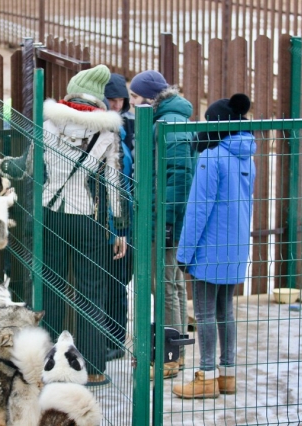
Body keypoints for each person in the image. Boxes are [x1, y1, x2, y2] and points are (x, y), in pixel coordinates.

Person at [2, 64, 126, 389]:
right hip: (88, 220)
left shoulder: (48, 123)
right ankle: (95, 368)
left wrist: (0, 164)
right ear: (98, 99)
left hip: (50, 215)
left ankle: (48, 365)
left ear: (71, 91)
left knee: (49, 288)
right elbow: (114, 184)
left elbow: (26, 167)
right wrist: (121, 229)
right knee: (91, 293)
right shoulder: (107, 133)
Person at [172, 93, 255, 399]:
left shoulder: (211, 157)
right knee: (226, 311)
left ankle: (206, 377)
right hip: (234, 248)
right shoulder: (246, 156)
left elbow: (198, 211)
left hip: (209, 250)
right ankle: (227, 375)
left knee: (205, 313)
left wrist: (184, 254)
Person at [129, 70, 195, 379]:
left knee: (165, 286)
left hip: (164, 219)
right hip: (159, 215)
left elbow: (180, 176)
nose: (131, 103)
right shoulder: (161, 121)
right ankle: (175, 349)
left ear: (150, 98)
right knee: (172, 284)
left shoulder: (171, 124)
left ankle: (169, 356)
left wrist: (168, 222)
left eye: (134, 96)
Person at [103, 73, 134, 361]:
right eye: (110, 100)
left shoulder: (120, 142)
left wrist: (119, 230)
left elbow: (120, 190)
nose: (115, 106)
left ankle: (115, 339)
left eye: (119, 100)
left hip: (119, 222)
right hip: (115, 221)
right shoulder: (117, 136)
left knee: (116, 281)